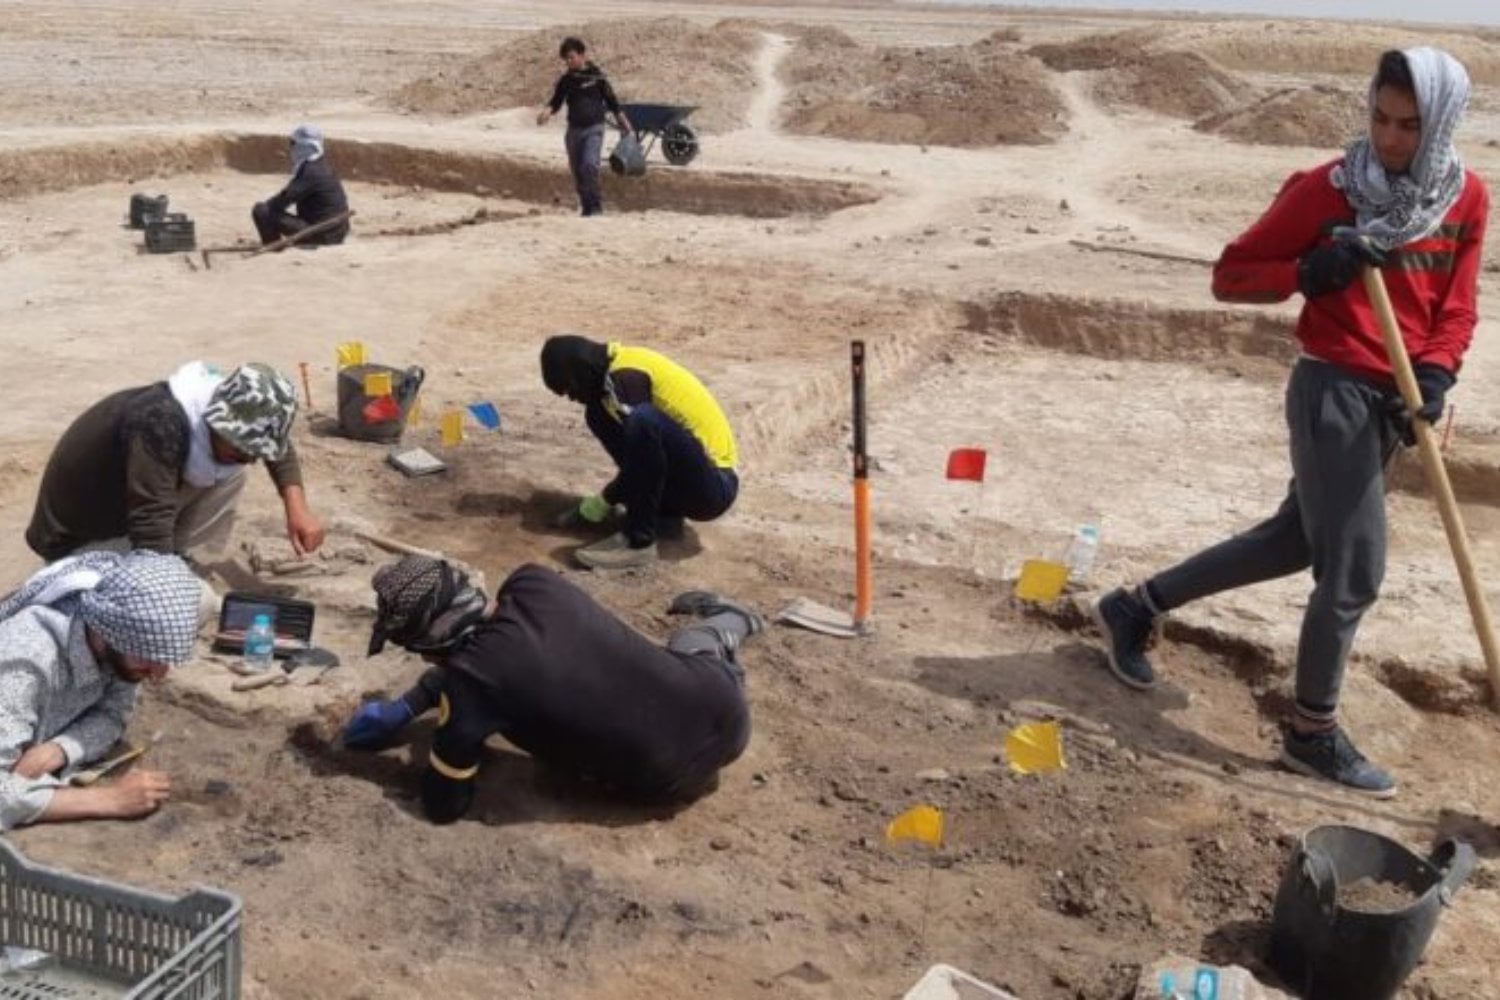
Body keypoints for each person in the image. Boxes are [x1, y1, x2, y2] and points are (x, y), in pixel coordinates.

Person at [1092, 48, 1486, 798]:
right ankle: (1311, 733)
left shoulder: (1465, 197)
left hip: (1395, 398)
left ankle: (1134, 605)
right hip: (1332, 388)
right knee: (1354, 568)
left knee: (1293, 540)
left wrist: (1435, 375)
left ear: (1442, 125)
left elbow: (1456, 306)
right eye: (1380, 118)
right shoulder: (1326, 191)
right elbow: (1229, 275)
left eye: (1411, 125)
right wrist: (1309, 273)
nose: (1391, 140)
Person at [341, 556, 757, 824]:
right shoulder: (532, 583)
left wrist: (428, 726)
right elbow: (499, 659)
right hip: (725, 710)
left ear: (430, 646)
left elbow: (444, 805)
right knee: (688, 648)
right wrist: (412, 703)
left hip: (664, 780)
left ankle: (733, 618)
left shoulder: (470, 688)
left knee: (694, 639)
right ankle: (722, 633)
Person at [26, 361, 324, 564]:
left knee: (231, 474)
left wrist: (296, 508)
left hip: (126, 509)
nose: (250, 459)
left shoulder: (216, 398)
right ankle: (151, 567)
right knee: (196, 605)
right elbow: (150, 519)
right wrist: (163, 583)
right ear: (219, 422)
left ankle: (179, 557)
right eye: (243, 450)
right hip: (75, 540)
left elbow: (273, 442)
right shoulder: (158, 425)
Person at [0, 551, 202, 829]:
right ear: (109, 635)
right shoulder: (23, 665)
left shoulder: (117, 646)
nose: (158, 674)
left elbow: (112, 714)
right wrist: (111, 800)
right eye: (150, 657)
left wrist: (59, 750)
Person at [540, 334, 740, 570]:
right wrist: (599, 505)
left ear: (581, 369)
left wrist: (606, 499)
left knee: (643, 421)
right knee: (599, 415)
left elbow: (642, 459)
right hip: (691, 480)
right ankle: (664, 517)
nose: (573, 398)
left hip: (715, 486)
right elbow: (640, 460)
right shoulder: (611, 383)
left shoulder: (626, 378)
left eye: (570, 388)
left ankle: (638, 542)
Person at [535, 37, 633, 217]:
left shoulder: (597, 77)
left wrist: (624, 122)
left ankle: (595, 207)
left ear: (582, 55)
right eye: (566, 59)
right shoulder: (566, 80)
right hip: (574, 132)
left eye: (571, 57)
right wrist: (546, 113)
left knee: (589, 166)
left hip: (594, 129)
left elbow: (612, 102)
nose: (569, 61)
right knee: (578, 171)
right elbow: (556, 102)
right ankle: (587, 208)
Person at [251, 124, 350, 246]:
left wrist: (266, 213)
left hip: (321, 234)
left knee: (261, 210)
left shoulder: (310, 172)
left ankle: (273, 246)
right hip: (337, 233)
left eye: (293, 143)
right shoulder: (321, 165)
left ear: (302, 147)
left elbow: (281, 201)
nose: (290, 148)